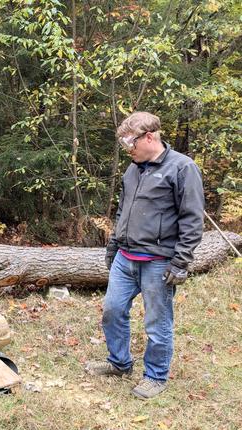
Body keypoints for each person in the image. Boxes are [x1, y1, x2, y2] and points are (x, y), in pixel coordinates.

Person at [85, 111, 204, 399]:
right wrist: (113, 246)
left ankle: (155, 376)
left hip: (159, 263)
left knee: (157, 323)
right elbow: (122, 211)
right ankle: (119, 363)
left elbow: (192, 219)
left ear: (149, 137)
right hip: (125, 259)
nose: (128, 148)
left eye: (130, 142)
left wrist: (180, 262)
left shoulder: (182, 168)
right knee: (112, 311)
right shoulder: (132, 169)